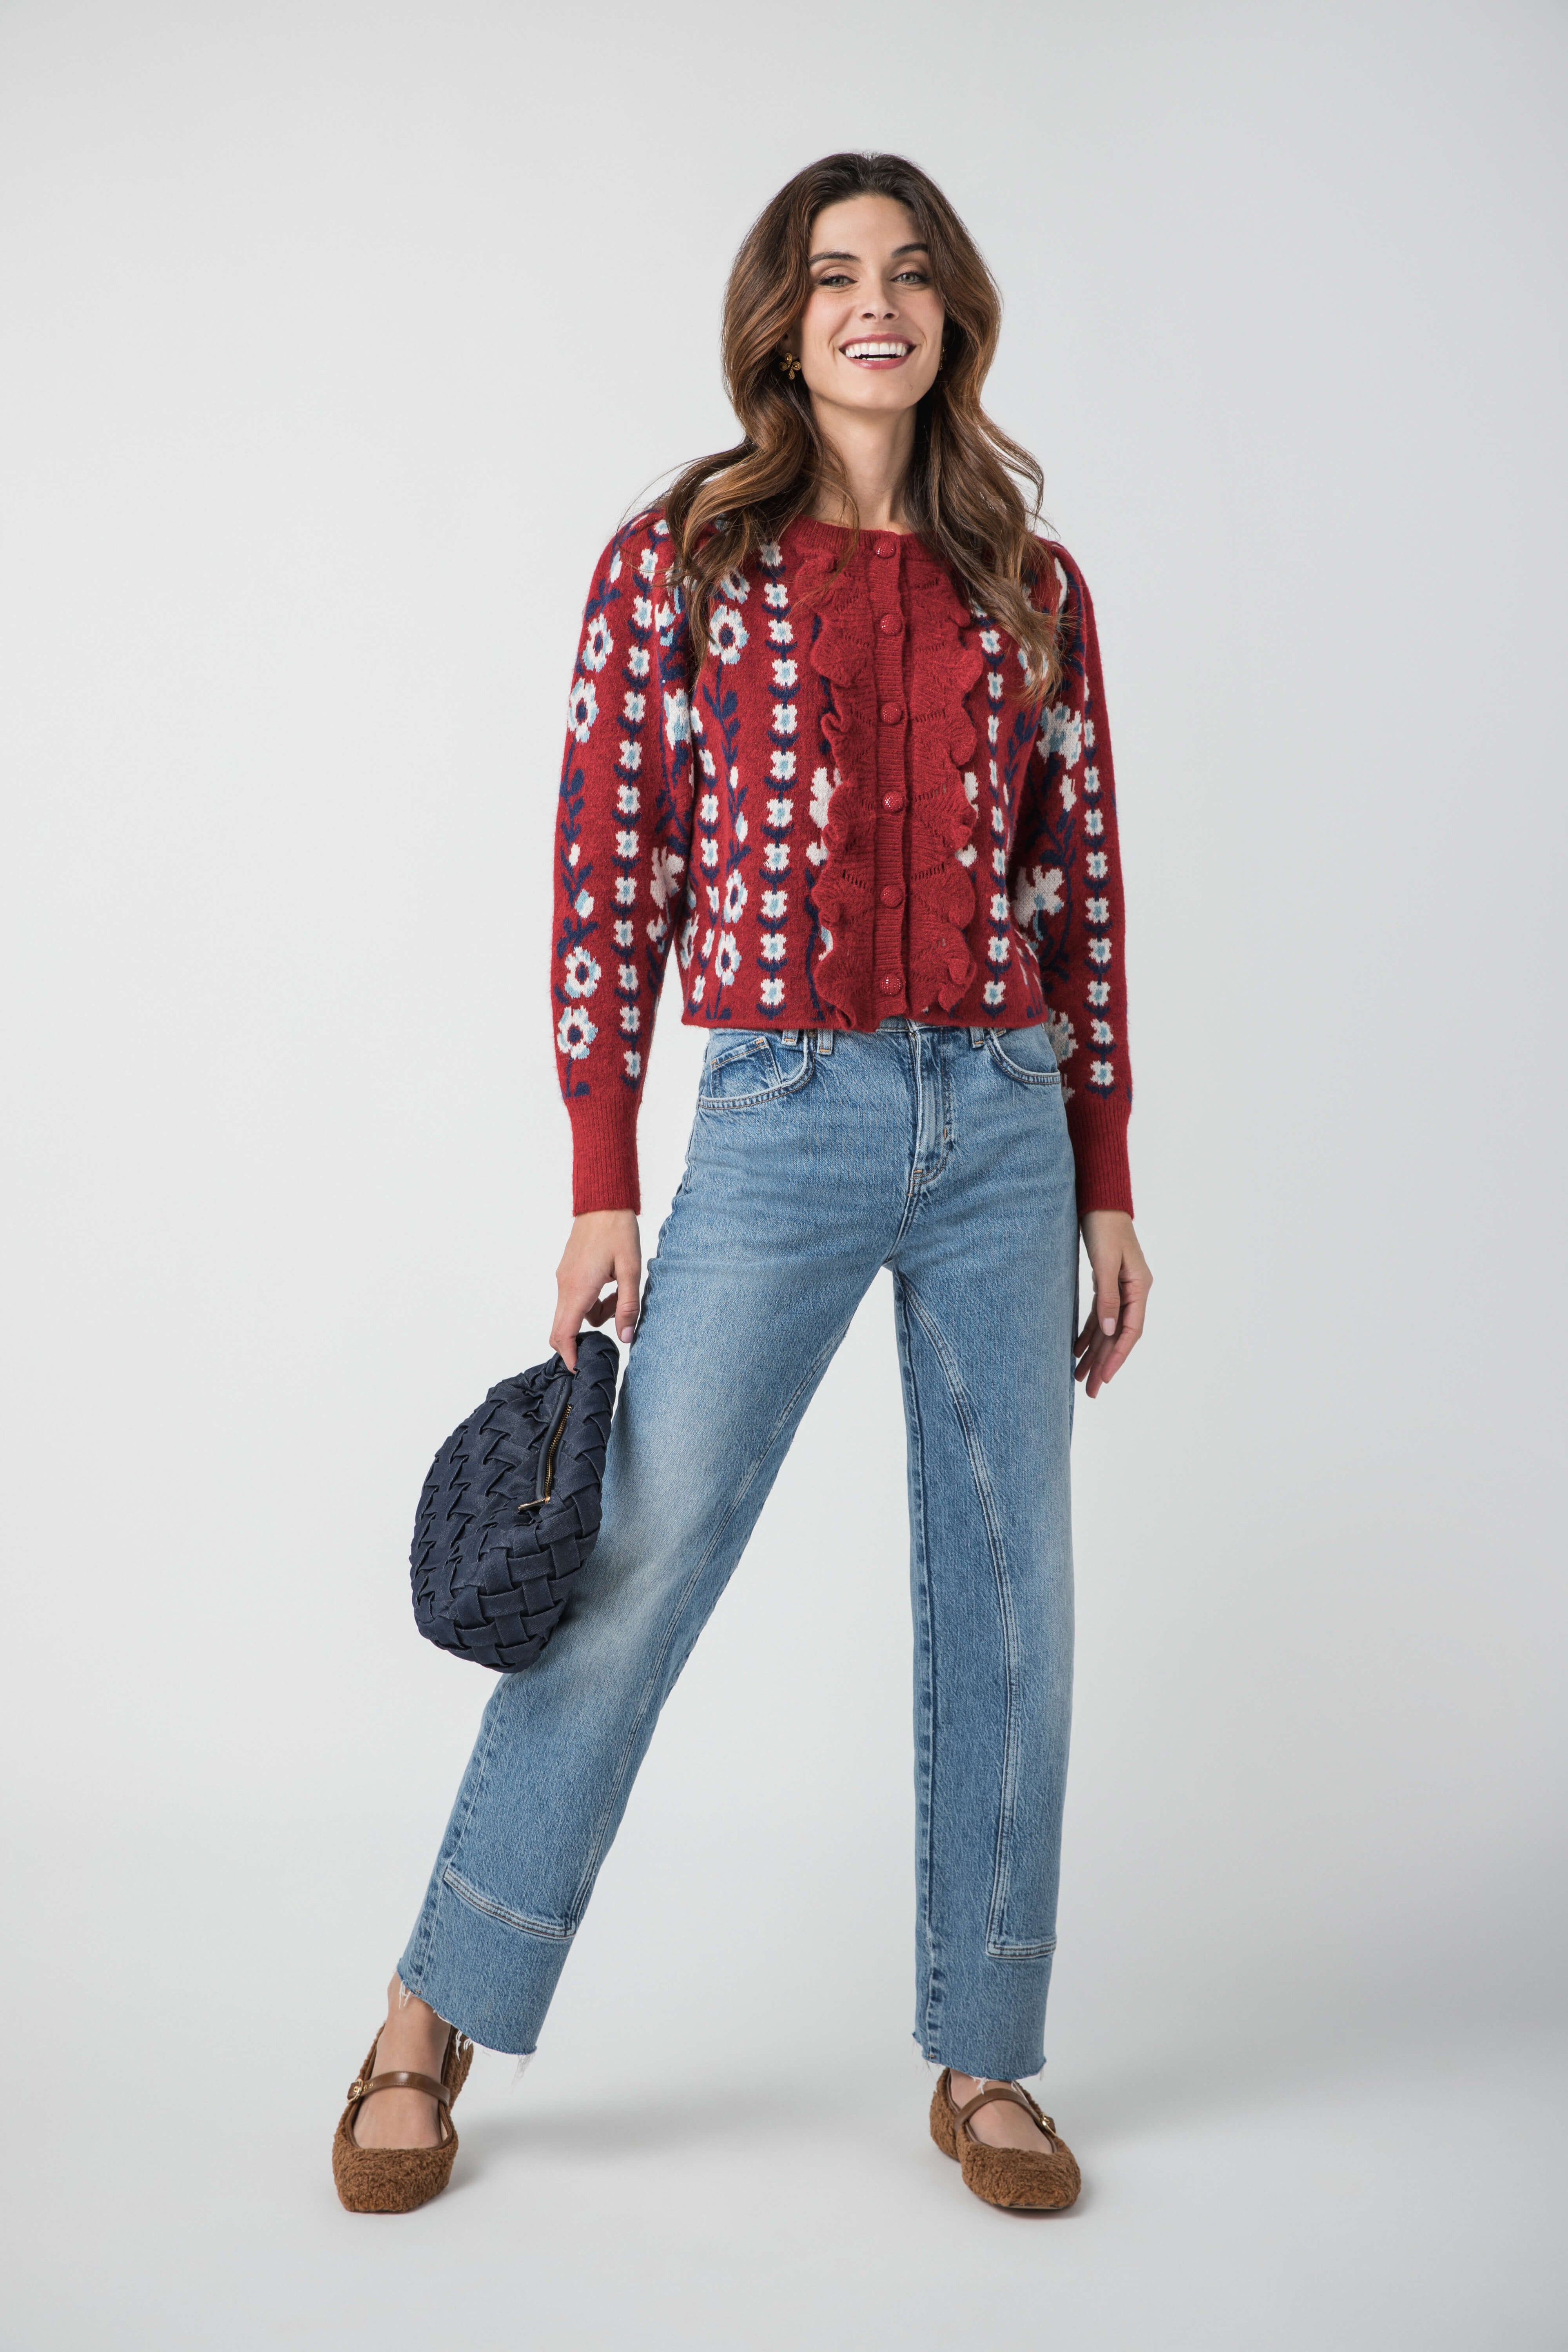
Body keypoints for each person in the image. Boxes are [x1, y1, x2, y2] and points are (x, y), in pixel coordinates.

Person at [332, 149, 1152, 2218]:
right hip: (781, 1113)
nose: (877, 304)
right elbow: (609, 867)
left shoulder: (1032, 584)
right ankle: (433, 2004)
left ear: (954, 314)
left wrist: (1107, 1170)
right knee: (636, 1546)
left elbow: (1080, 889)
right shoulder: (683, 562)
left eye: (911, 272)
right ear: (782, 324)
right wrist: (601, 1169)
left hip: (1004, 1114)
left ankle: (987, 2056)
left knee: (1016, 1593)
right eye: (834, 274)